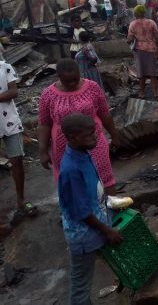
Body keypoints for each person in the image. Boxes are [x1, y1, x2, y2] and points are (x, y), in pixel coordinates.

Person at [58, 113, 123, 305]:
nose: (96, 137)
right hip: (84, 236)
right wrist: (107, 230)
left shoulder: (82, 153)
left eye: (95, 132)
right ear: (72, 138)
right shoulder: (70, 170)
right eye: (89, 135)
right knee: (80, 286)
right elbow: (81, 211)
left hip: (96, 224)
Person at [38, 59, 120, 194]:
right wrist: (43, 151)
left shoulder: (92, 88)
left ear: (79, 73)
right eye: (67, 81)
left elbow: (104, 114)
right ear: (58, 77)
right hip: (63, 147)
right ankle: (82, 213)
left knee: (104, 177)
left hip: (94, 141)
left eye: (75, 79)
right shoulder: (48, 95)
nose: (71, 83)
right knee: (73, 183)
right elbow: (44, 124)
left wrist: (114, 135)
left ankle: (111, 210)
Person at [0, 60, 36, 217]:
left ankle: (21, 200)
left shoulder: (5, 67)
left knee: (17, 160)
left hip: (9, 122)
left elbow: (13, 92)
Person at [127, 5, 158, 99]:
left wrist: (129, 41)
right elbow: (157, 37)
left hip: (139, 51)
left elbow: (129, 39)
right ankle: (156, 93)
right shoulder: (151, 22)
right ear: (144, 12)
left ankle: (142, 93)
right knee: (153, 72)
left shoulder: (133, 24)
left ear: (135, 13)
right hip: (151, 49)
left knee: (141, 73)